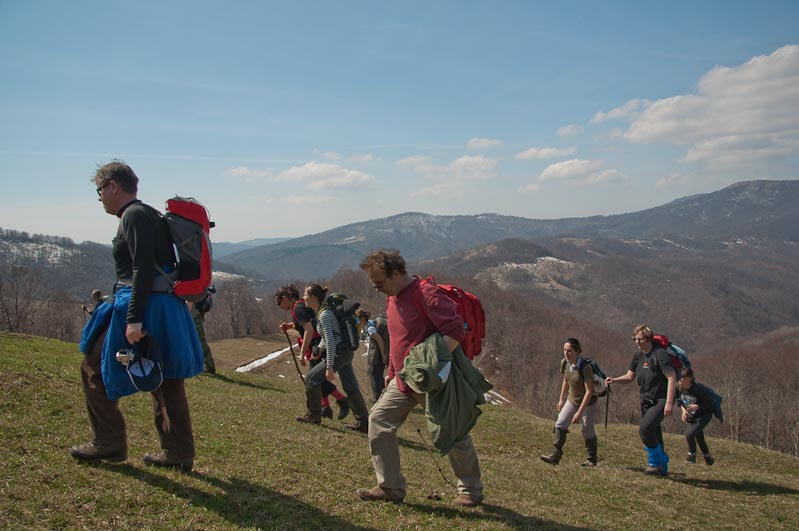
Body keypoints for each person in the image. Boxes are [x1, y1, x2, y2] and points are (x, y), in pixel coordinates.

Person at [71, 160, 204, 472]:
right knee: (166, 378)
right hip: (163, 304)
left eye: (99, 191)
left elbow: (141, 268)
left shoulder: (132, 215)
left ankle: (109, 441)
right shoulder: (148, 214)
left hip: (143, 305)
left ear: (113, 186)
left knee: (93, 367)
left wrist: (134, 319)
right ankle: (178, 451)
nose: (100, 198)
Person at [357, 249, 484, 507]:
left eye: (379, 283)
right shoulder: (392, 298)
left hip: (431, 380)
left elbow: (455, 331)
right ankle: (390, 487)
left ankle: (471, 490)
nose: (377, 288)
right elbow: (398, 338)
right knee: (379, 420)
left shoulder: (426, 293)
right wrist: (392, 372)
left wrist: (428, 366)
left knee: (454, 431)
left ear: (395, 273)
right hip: (403, 379)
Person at [294, 284, 369, 431]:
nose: (303, 298)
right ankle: (364, 422)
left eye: (305, 295)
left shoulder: (324, 315)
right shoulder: (323, 312)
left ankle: (314, 415)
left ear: (313, 297)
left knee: (312, 379)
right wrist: (318, 350)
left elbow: (330, 340)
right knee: (350, 386)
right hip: (345, 351)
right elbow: (328, 337)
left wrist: (329, 366)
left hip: (340, 353)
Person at [605, 324, 677, 476]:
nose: (637, 342)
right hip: (646, 399)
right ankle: (661, 468)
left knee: (645, 430)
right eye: (635, 339)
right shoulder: (638, 356)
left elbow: (671, 378)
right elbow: (630, 376)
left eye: (640, 339)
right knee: (654, 431)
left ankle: (658, 461)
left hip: (661, 399)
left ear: (648, 339)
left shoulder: (660, 355)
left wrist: (669, 403)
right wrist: (615, 380)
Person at [275, 285, 350, 420]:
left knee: (314, 377)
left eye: (279, 302)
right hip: (318, 342)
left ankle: (340, 400)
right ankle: (325, 407)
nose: (279, 306)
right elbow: (305, 323)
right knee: (315, 376)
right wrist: (289, 326)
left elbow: (308, 329)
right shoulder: (300, 305)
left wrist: (302, 352)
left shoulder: (298, 309)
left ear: (285, 298)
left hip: (316, 343)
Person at [540, 338, 600, 467]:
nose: (566, 353)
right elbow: (566, 380)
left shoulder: (585, 367)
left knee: (587, 430)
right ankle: (555, 455)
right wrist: (561, 399)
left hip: (589, 402)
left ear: (577, 351)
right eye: (564, 350)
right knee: (560, 423)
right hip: (573, 399)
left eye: (569, 351)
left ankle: (592, 459)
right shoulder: (565, 363)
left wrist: (579, 413)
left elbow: (589, 391)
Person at [678, 368, 715, 465]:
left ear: (690, 378)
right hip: (694, 416)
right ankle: (708, 458)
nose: (681, 379)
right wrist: (684, 411)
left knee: (689, 434)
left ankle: (692, 457)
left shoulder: (698, 388)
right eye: (680, 377)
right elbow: (679, 401)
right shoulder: (680, 387)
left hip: (704, 415)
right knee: (699, 437)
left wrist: (698, 406)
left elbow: (710, 403)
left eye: (683, 377)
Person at [356, 309, 390, 402]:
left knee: (374, 375)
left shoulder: (370, 328)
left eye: (357, 319)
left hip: (378, 356)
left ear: (362, 319)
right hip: (377, 354)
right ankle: (384, 395)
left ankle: (378, 398)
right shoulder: (371, 323)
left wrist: (383, 356)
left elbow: (380, 341)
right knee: (375, 374)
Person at [191, 288, 216, 374]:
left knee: (199, 341)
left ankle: (208, 366)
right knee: (200, 341)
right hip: (195, 313)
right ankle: (208, 365)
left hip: (192, 313)